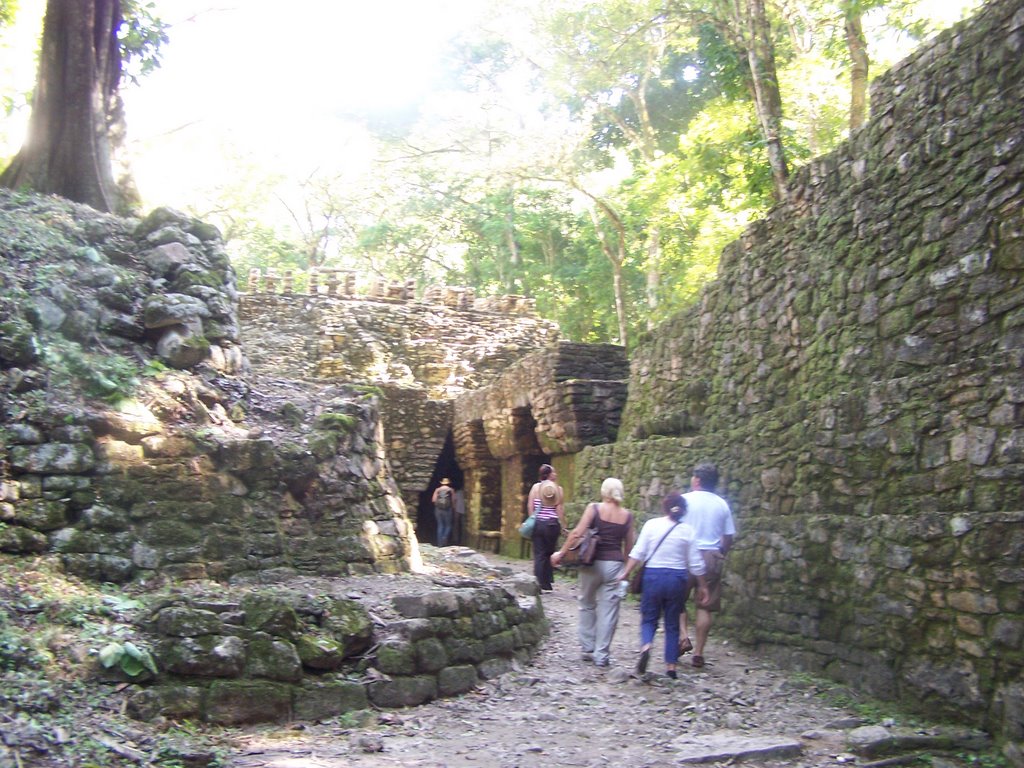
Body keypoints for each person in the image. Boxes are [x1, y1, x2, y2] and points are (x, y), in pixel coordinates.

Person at [618, 493, 708, 679]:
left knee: (649, 618)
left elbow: (639, 552)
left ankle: (646, 645)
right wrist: (703, 586)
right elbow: (696, 562)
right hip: (677, 579)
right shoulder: (688, 531)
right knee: (672, 622)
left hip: (653, 577)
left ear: (665, 508)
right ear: (683, 511)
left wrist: (626, 572)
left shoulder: (652, 525)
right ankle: (671, 666)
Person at [551, 477, 635, 668]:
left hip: (591, 563)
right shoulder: (627, 516)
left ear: (604, 492)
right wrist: (626, 572)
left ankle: (588, 647)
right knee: (609, 611)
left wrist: (561, 553)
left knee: (587, 602)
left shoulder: (594, 508)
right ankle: (602, 654)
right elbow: (629, 547)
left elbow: (577, 534)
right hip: (614, 565)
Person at [679, 462, 736, 668]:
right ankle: (699, 653)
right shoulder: (722, 504)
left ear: (698, 480)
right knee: (705, 605)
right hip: (711, 556)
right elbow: (728, 535)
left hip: (686, 554)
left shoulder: (684, 500)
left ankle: (683, 636)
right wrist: (721, 552)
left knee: (678, 600)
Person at [526, 464, 566, 593]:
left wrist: (533, 520)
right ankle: (547, 582)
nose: (556, 474)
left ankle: (537, 582)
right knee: (549, 553)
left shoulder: (535, 488)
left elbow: (530, 506)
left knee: (539, 554)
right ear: (549, 475)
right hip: (551, 524)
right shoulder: (558, 489)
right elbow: (559, 509)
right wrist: (563, 525)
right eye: (554, 472)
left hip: (538, 524)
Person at [431, 478, 455, 547]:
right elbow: (453, 501)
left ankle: (440, 543)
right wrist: (453, 508)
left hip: (438, 510)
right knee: (448, 525)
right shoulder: (451, 490)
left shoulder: (437, 490)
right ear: (448, 483)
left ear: (442, 483)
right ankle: (445, 537)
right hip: (448, 509)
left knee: (440, 525)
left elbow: (433, 500)